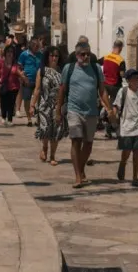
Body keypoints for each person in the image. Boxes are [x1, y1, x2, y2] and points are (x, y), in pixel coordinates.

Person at [55, 36, 102, 189]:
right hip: (74, 110)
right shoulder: (69, 69)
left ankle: (81, 170)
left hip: (92, 111)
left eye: (88, 54)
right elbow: (62, 90)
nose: (86, 56)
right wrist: (58, 111)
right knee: (76, 140)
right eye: (82, 54)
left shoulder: (96, 69)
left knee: (88, 144)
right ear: (76, 55)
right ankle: (77, 176)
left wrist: (108, 107)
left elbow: (102, 90)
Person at [110, 69, 138, 187]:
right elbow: (116, 106)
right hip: (126, 126)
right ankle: (123, 163)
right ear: (129, 81)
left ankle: (135, 177)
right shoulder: (123, 91)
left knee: (137, 152)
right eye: (134, 79)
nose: (137, 80)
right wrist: (113, 115)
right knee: (126, 151)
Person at [31, 46, 66, 164]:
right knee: (45, 129)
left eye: (56, 56)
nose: (54, 58)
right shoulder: (42, 71)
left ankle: (52, 156)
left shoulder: (62, 71)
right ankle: (45, 148)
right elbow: (37, 89)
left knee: (56, 130)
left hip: (57, 105)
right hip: (44, 105)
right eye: (52, 55)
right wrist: (32, 105)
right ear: (47, 57)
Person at [100, 39, 126, 138]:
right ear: (120, 48)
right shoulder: (120, 60)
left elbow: (97, 65)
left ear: (113, 47)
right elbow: (122, 74)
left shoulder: (105, 57)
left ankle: (107, 128)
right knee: (114, 107)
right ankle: (114, 126)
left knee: (107, 106)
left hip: (105, 85)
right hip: (115, 86)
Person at [17, 36, 43, 126]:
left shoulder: (40, 55)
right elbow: (19, 67)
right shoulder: (24, 54)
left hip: (39, 81)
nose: (36, 47)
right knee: (27, 99)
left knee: (40, 100)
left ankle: (38, 119)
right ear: (31, 45)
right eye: (35, 45)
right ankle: (29, 119)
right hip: (28, 80)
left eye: (37, 45)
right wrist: (22, 76)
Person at [0, 46, 25, 125]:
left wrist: (23, 76)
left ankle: (10, 120)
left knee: (11, 103)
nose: (10, 53)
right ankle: (3, 117)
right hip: (4, 85)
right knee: (3, 102)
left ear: (13, 54)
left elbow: (19, 73)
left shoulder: (16, 64)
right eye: (8, 51)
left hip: (14, 86)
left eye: (11, 52)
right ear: (5, 53)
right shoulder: (1, 62)